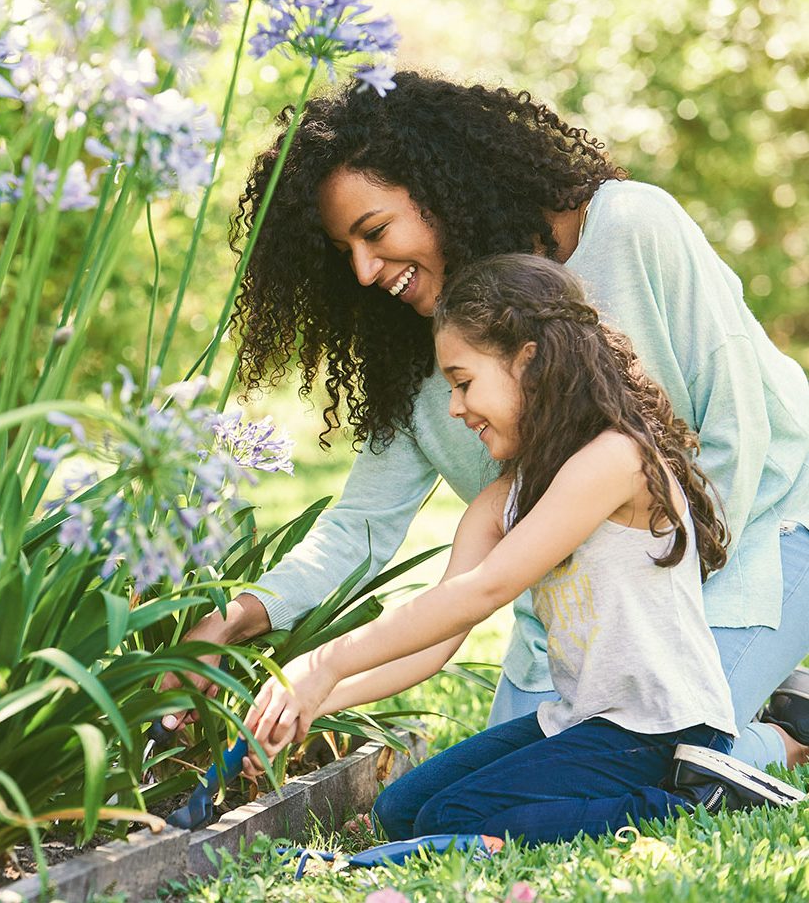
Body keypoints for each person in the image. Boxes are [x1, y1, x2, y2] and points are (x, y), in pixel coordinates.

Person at [164, 71, 809, 773]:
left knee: (662, 760)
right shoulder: (424, 364)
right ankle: (761, 697)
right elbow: (359, 530)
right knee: (505, 774)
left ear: (441, 189)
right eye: (342, 251)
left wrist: (661, 628)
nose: (362, 270)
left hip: (760, 536)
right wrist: (236, 618)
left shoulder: (628, 227)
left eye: (374, 232)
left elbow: (740, 436)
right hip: (585, 613)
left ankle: (784, 738)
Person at [242, 255, 803, 844]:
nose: (454, 406)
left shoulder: (617, 459)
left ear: (528, 361)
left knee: (451, 820)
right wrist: (313, 702)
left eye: (463, 382)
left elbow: (486, 590)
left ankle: (702, 799)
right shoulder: (502, 499)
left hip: (662, 728)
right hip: (582, 721)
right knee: (401, 811)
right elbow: (436, 638)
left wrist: (324, 662)